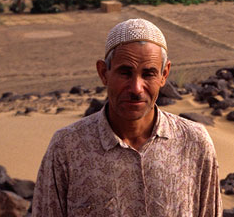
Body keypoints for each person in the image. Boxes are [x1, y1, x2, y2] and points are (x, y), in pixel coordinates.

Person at [32, 18, 222, 217]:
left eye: (148, 74)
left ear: (164, 74)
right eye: (125, 73)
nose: (136, 88)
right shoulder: (67, 147)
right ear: (103, 73)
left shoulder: (194, 143)